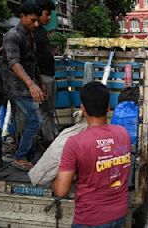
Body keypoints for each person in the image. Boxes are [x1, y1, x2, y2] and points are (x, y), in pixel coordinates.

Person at [54, 82, 131, 227]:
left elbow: (61, 190)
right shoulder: (123, 134)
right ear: (108, 107)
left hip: (90, 219)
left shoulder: (75, 143)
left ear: (83, 109)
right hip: (119, 214)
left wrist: (54, 183)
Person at [2, 2, 45, 171]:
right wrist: (31, 84)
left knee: (30, 121)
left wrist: (40, 82)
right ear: (22, 16)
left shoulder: (29, 34)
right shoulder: (12, 36)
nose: (36, 24)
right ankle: (20, 157)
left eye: (37, 21)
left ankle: (28, 155)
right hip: (16, 87)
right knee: (35, 120)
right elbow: (14, 63)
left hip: (28, 85)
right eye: (33, 20)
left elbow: (32, 62)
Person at [34, 0, 58, 143]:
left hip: (49, 74)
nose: (49, 18)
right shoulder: (32, 33)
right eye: (47, 14)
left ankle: (53, 135)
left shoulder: (42, 32)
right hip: (42, 76)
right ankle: (49, 139)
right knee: (45, 111)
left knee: (50, 110)